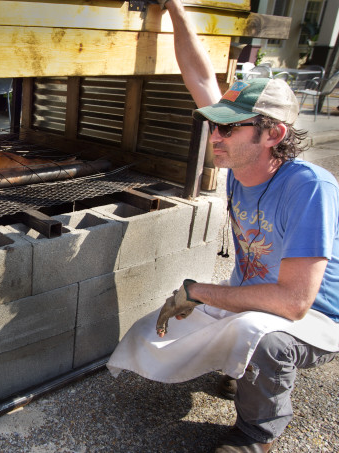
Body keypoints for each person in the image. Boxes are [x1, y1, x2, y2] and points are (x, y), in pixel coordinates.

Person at [107, 0, 339, 452]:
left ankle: (255, 435)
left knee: (266, 340)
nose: (215, 136)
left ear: (272, 135)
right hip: (254, 297)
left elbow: (293, 303)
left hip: (317, 318)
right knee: (145, 338)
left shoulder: (310, 187)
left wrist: (201, 291)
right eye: (215, 127)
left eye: (228, 130)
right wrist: (174, 6)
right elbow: (199, 75)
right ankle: (242, 365)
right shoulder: (242, 160)